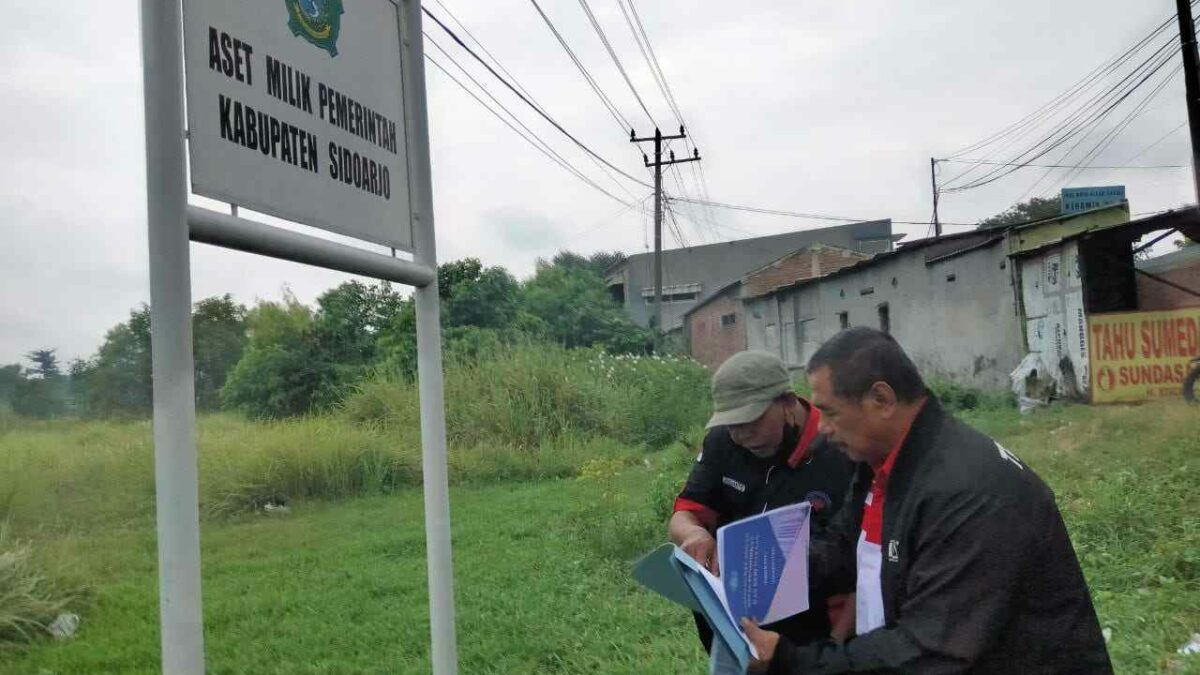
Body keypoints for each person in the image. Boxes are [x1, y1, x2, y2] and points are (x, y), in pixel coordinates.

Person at [741, 327, 1112, 674]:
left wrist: (789, 662)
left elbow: (930, 649)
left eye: (832, 412)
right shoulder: (884, 462)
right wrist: (751, 575)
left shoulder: (969, 493)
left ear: (881, 399)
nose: (822, 427)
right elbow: (843, 549)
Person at [669, 350, 857, 652]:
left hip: (817, 626)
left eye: (750, 421)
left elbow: (865, 558)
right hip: (734, 616)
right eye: (731, 423)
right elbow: (686, 512)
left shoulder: (841, 447)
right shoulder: (721, 442)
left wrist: (836, 645)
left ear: (787, 402)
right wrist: (693, 533)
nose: (741, 434)